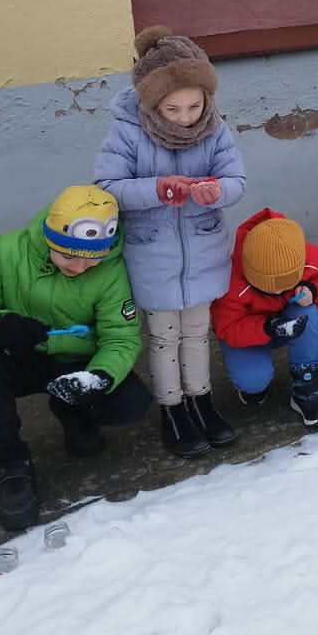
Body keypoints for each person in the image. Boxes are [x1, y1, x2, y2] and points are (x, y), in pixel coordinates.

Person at [0, 185, 151, 531]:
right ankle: (13, 467)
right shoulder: (5, 251)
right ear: (49, 239)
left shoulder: (110, 269)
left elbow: (121, 337)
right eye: (69, 256)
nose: (81, 267)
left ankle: (73, 411)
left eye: (92, 258)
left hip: (76, 362)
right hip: (20, 357)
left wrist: (100, 376)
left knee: (131, 402)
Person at [95, 26, 246, 459]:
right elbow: (107, 188)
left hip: (202, 251)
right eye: (172, 108)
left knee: (197, 332)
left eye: (195, 106)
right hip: (153, 254)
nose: (185, 118)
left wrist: (217, 191)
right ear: (151, 102)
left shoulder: (216, 130)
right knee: (163, 336)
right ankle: (172, 410)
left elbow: (236, 180)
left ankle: (202, 401)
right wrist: (156, 189)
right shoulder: (127, 132)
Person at [210, 209, 318, 430]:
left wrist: (313, 290)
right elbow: (226, 327)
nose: (279, 292)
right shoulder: (228, 283)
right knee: (252, 382)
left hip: (292, 323)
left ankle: (305, 382)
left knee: (307, 311)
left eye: (286, 285)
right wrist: (268, 328)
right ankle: (254, 386)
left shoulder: (307, 257)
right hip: (252, 332)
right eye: (270, 287)